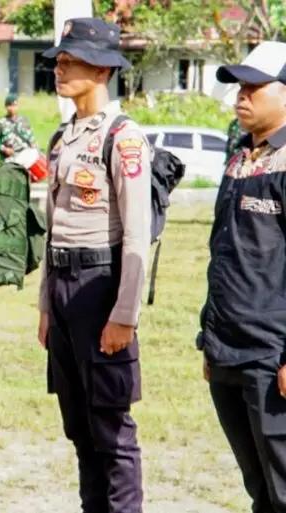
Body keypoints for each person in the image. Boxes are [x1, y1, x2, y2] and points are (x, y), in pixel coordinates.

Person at [37, 18, 151, 513]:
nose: (59, 69)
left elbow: (138, 233)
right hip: (64, 287)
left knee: (112, 427)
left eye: (70, 60)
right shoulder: (62, 138)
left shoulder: (123, 137)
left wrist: (124, 313)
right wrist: (45, 305)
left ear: (102, 70)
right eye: (58, 61)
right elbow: (52, 228)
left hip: (100, 285)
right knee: (79, 424)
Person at [197, 41, 286, 513]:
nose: (242, 96)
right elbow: (223, 253)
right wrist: (209, 337)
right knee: (258, 485)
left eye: (255, 86)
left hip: (272, 355)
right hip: (228, 346)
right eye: (239, 87)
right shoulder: (238, 156)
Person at [0, 93, 36, 163]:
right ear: (6, 107)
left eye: (14, 106)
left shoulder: (24, 120)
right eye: (10, 106)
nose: (12, 108)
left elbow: (31, 138)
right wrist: (4, 149)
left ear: (18, 106)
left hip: (25, 156)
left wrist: (34, 148)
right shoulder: (0, 123)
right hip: (9, 159)